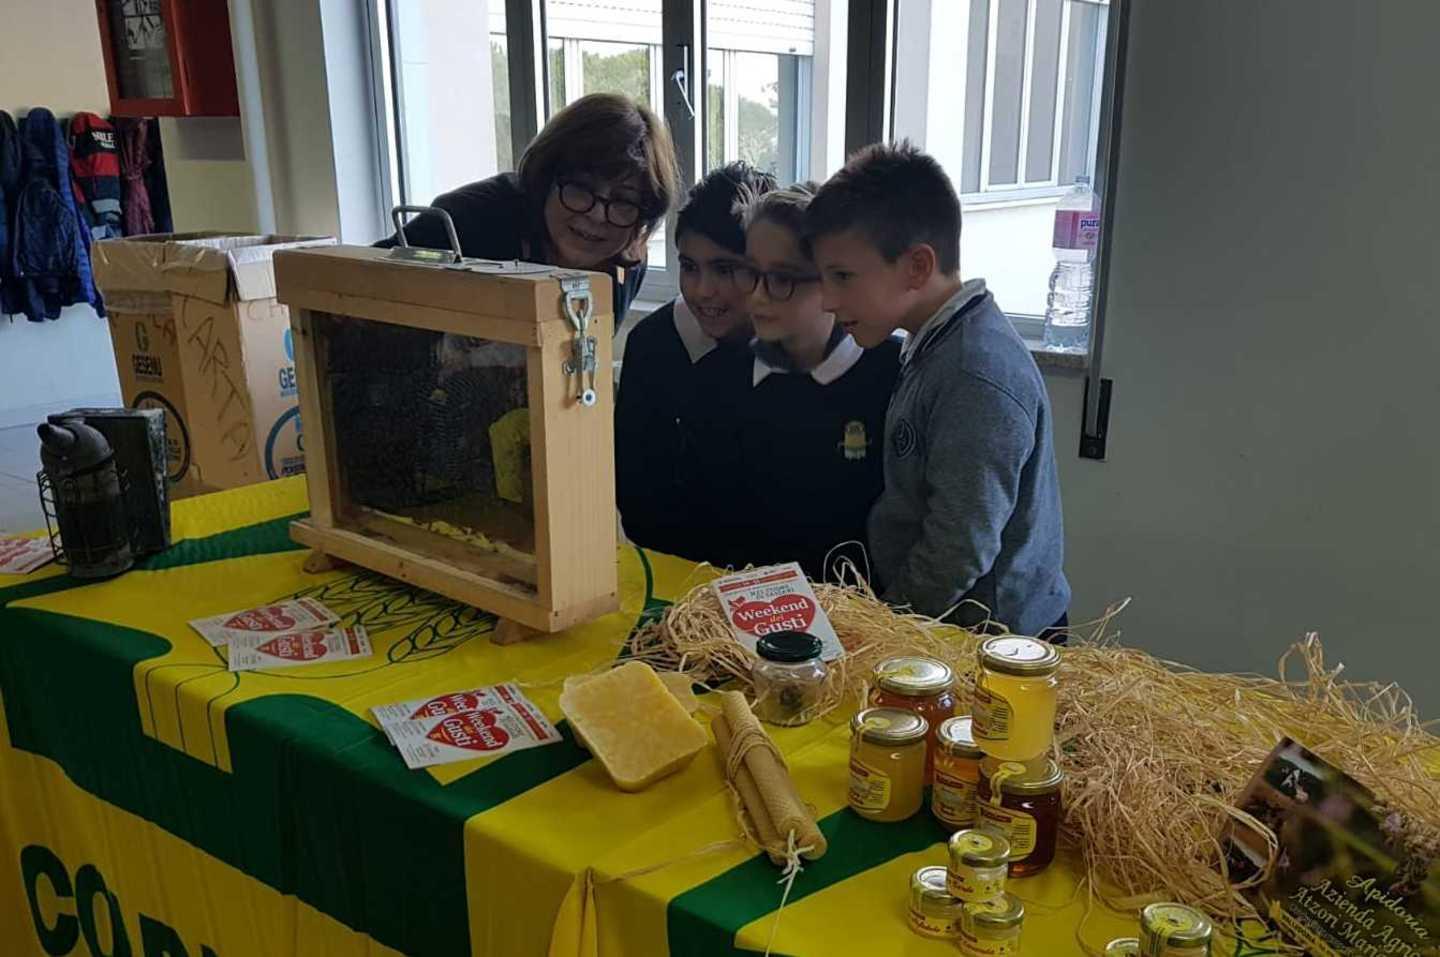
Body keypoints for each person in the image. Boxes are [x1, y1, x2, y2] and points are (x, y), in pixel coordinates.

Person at [806, 142, 1070, 637]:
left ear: (917, 267)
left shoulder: (974, 372)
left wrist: (888, 631)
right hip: (946, 625)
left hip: (990, 640)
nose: (826, 300)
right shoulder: (935, 344)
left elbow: (959, 545)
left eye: (842, 276)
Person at [376, 92, 679, 324]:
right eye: (581, 189)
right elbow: (354, 286)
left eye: (624, 201)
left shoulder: (627, 261)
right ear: (545, 178)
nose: (597, 215)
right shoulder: (467, 220)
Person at [732, 184, 900, 580]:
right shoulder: (730, 371)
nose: (756, 298)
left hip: (865, 613)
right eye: (750, 273)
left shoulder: (893, 374)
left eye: (781, 279)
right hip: (748, 604)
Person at [616, 162, 776, 566]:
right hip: (679, 572)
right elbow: (634, 492)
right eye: (689, 267)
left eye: (725, 269)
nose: (703, 291)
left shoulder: (799, 348)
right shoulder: (653, 345)